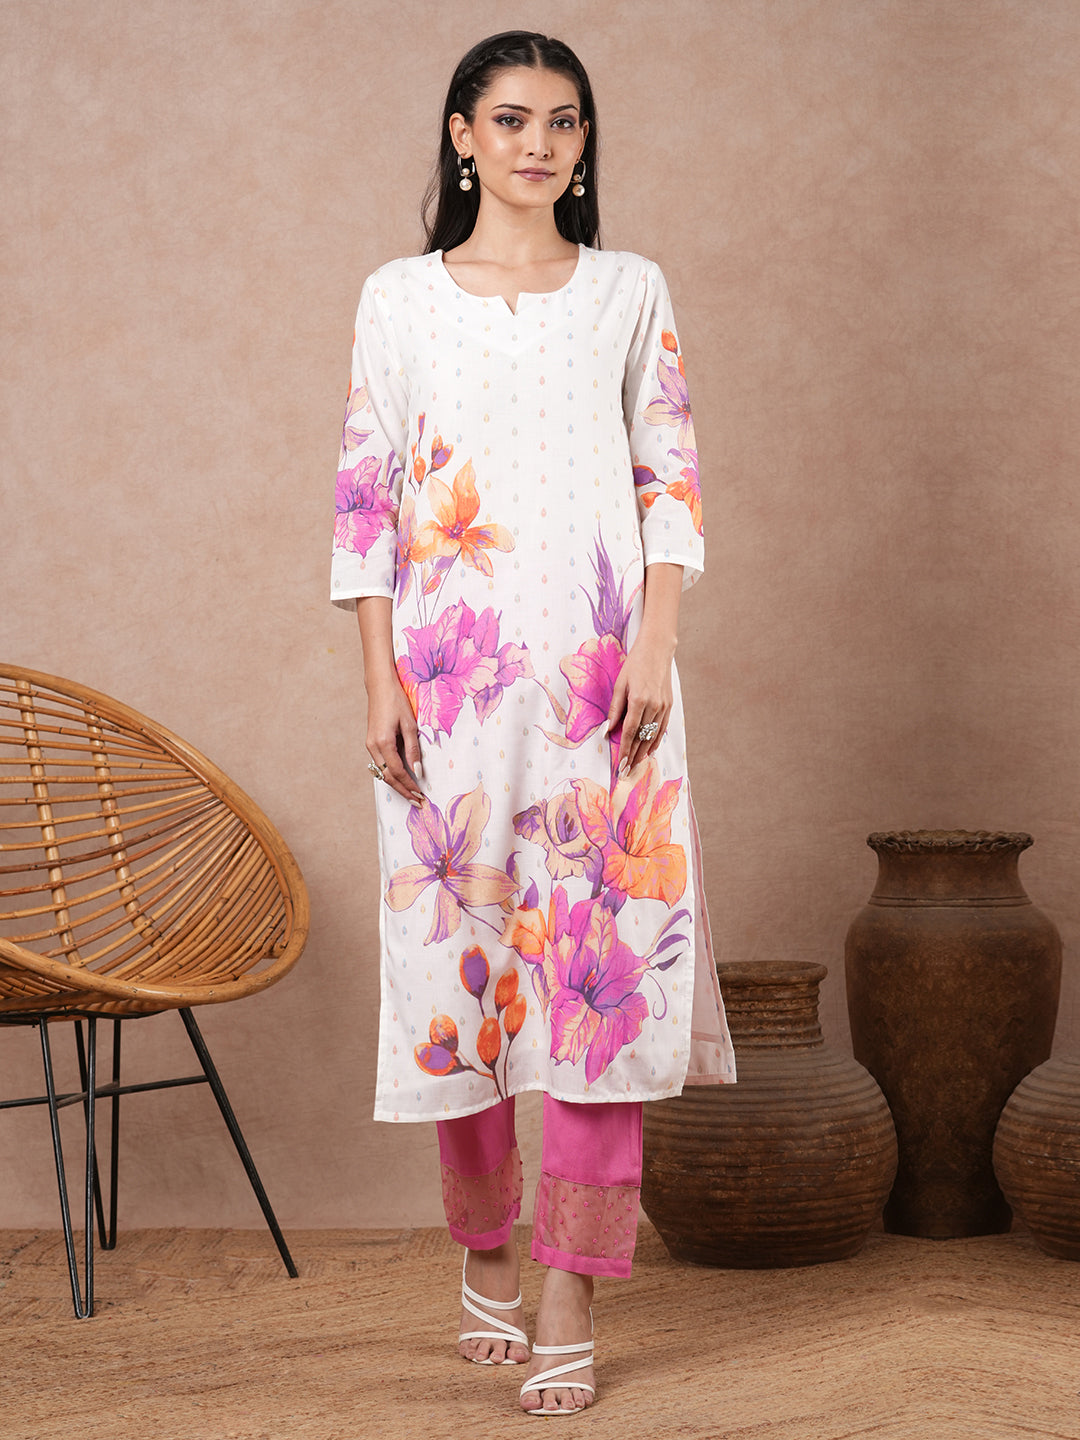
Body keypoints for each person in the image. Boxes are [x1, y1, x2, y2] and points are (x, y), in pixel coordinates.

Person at [331, 30, 736, 1416]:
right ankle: (489, 1251)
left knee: (595, 981)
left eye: (564, 121)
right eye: (510, 120)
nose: (539, 144)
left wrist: (656, 649)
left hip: (605, 690)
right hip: (449, 689)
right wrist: (379, 680)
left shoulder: (628, 289)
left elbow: (669, 475)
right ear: (462, 136)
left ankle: (571, 1287)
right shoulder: (399, 299)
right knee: (464, 982)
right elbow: (368, 496)